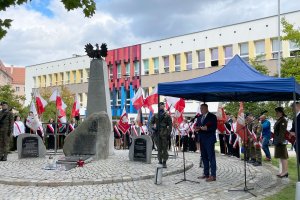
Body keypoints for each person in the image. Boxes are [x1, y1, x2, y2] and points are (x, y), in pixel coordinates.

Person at [195, 103, 217, 182]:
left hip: (209, 139)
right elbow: (197, 125)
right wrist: (196, 129)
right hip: (201, 139)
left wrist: (206, 129)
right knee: (204, 157)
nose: (201, 110)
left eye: (202, 109)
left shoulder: (212, 116)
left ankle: (213, 175)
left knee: (211, 157)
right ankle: (206, 173)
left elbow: (214, 127)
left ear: (206, 108)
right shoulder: (199, 117)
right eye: (200, 109)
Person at [150, 102, 172, 168]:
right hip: (157, 133)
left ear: (164, 106)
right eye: (160, 106)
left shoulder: (167, 115)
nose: (161, 107)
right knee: (159, 148)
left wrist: (168, 133)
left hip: (164, 133)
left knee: (164, 148)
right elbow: (151, 123)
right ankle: (160, 160)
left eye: (162, 106)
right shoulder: (155, 115)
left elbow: (170, 126)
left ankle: (164, 161)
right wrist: (153, 128)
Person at [273, 107, 289, 178]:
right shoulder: (279, 120)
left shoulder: (283, 120)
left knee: (283, 156)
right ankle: (283, 171)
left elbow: (282, 132)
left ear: (281, 112)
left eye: (277, 112)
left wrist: (279, 141)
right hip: (278, 140)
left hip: (281, 141)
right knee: (281, 156)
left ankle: (285, 172)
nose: (276, 113)